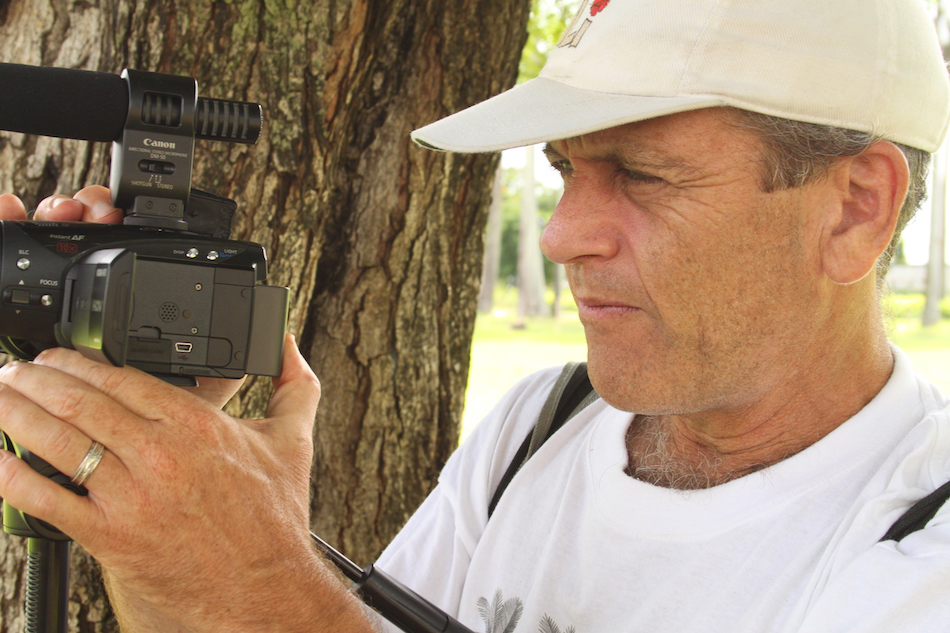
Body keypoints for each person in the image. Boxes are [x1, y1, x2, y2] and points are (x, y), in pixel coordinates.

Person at [1, 0, 949, 631]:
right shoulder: (544, 427)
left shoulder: (921, 544)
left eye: (646, 176)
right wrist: (164, 486)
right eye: (567, 170)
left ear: (856, 207)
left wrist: (265, 589)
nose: (564, 234)